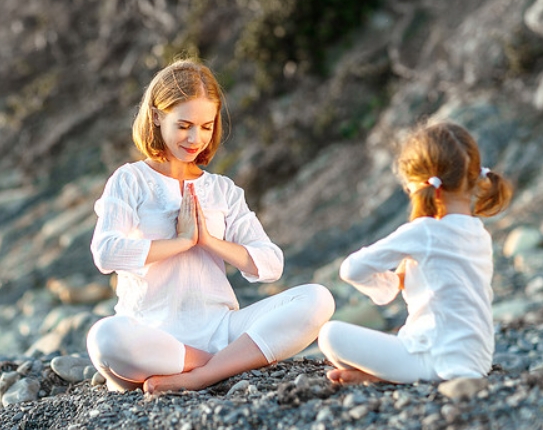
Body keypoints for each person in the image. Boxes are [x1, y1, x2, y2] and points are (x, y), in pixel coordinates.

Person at [86, 59, 335, 394]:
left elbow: (271, 265)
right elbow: (105, 253)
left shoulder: (222, 190)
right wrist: (182, 241)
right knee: (105, 338)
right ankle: (224, 363)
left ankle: (201, 374)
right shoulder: (131, 180)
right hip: (152, 335)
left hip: (221, 329)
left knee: (318, 299)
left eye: (206, 126)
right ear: (158, 116)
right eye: (184, 125)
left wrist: (208, 241)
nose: (195, 139)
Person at [318, 121, 513, 385]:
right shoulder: (479, 233)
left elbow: (351, 269)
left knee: (330, 335)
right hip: (475, 361)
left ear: (425, 187)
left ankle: (382, 376)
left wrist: (391, 283)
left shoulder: (425, 231)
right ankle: (382, 374)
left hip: (433, 360)